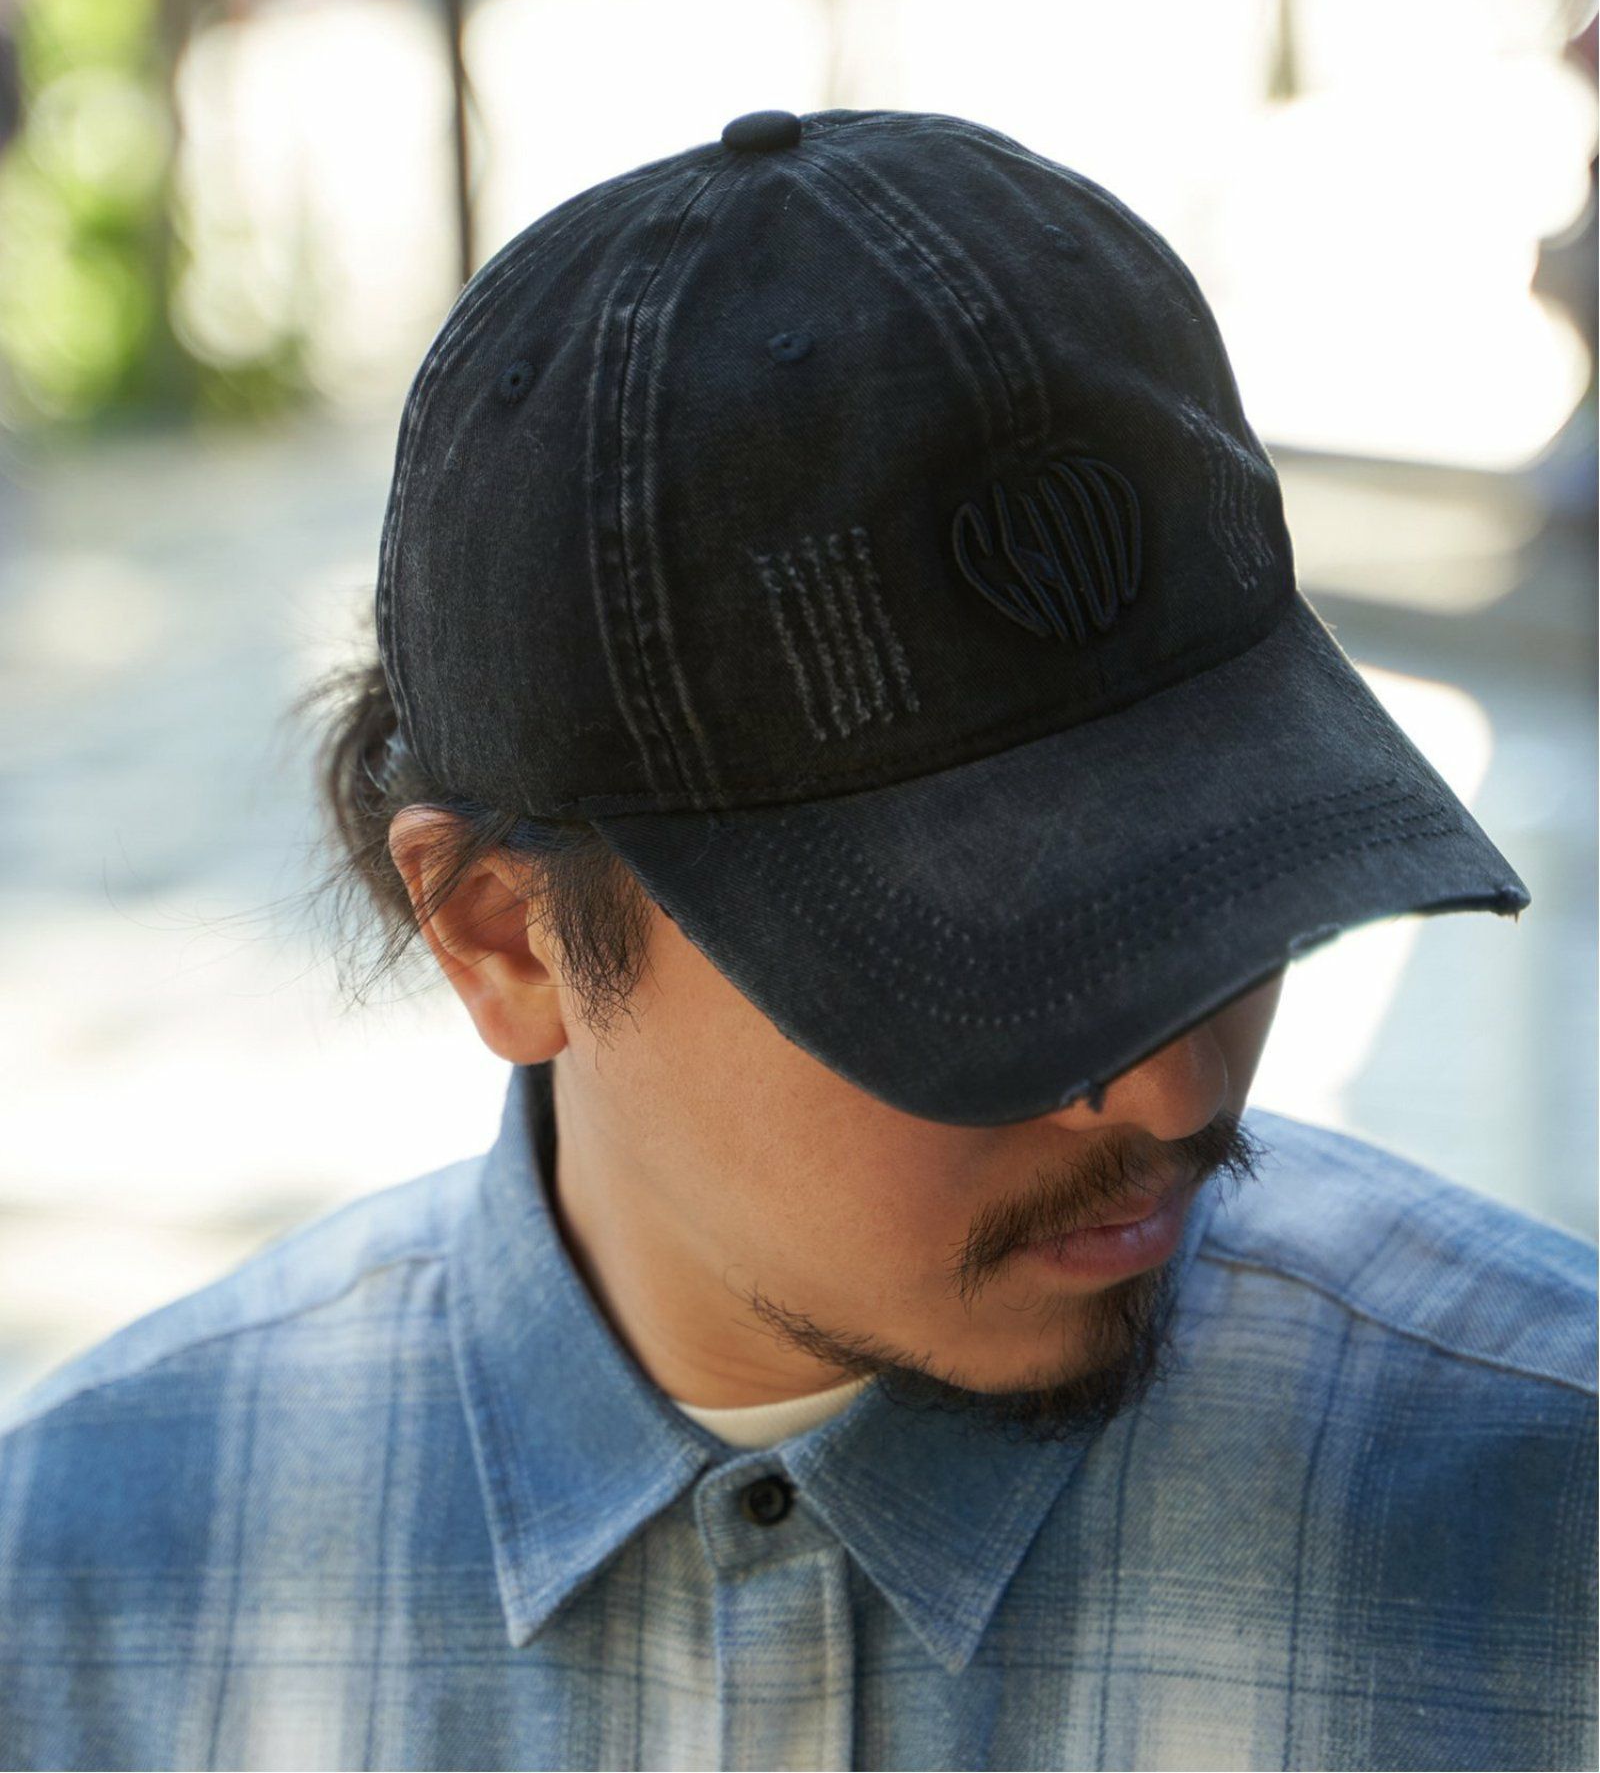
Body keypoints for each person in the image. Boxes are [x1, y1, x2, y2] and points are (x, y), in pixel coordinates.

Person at [0, 108, 1592, 1773]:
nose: (1178, 1092)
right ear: (502, 937)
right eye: (997, 968)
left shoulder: (1555, 1517)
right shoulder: (92, 1589)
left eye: (1227, 891)